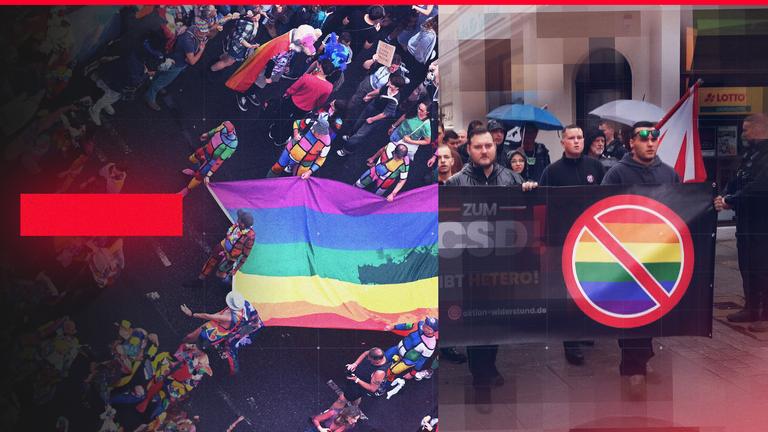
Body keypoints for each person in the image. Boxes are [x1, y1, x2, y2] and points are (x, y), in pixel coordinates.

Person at [443, 126, 537, 408]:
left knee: (496, 320)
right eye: (478, 147)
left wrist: (530, 192)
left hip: (503, 266)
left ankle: (490, 367)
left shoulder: (512, 178)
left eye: (488, 146)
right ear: (468, 150)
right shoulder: (455, 183)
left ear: (495, 148)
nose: (484, 150)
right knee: (477, 323)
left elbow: (528, 216)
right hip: (470, 269)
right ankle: (480, 380)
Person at [602, 121, 680, 393]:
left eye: (654, 137)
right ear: (631, 142)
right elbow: (602, 210)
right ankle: (633, 368)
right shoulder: (616, 174)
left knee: (651, 313)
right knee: (630, 312)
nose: (650, 142)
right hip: (626, 257)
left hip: (659, 255)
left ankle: (643, 359)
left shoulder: (669, 174)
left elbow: (681, 210)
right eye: (643, 137)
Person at [539, 124, 605, 365]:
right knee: (568, 291)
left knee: (588, 287)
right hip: (562, 240)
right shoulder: (551, 171)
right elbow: (542, 204)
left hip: (591, 239)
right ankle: (571, 343)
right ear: (562, 142)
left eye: (579, 137)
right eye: (571, 138)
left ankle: (584, 330)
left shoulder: (596, 167)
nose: (576, 141)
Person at [714, 113, 768, 331]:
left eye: (746, 129)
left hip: (763, 222)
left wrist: (730, 200)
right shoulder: (752, 155)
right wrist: (724, 196)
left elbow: (761, 187)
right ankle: (752, 308)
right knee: (748, 265)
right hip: (747, 221)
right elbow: (738, 180)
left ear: (760, 129)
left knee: (763, 267)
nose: (743, 134)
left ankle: (765, 316)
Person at [144, 20, 208, 111]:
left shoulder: (192, 28)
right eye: (203, 33)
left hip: (171, 58)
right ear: (197, 30)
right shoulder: (188, 42)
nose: (204, 35)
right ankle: (149, 97)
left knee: (160, 73)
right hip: (177, 64)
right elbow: (192, 61)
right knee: (163, 81)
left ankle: (151, 83)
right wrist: (201, 50)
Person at [184, 209, 255, 287]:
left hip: (231, 256)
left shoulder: (250, 237)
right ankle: (199, 280)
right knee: (211, 261)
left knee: (220, 274)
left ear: (243, 224)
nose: (237, 219)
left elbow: (245, 255)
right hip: (223, 245)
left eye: (239, 219)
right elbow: (230, 233)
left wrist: (236, 269)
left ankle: (227, 284)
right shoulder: (237, 225)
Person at [337, 75, 404, 157]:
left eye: (392, 84)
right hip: (372, 107)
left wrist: (372, 119)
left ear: (397, 88)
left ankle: (347, 150)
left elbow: (385, 114)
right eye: (389, 82)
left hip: (378, 116)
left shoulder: (394, 100)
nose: (389, 84)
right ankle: (350, 136)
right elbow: (379, 91)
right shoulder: (388, 85)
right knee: (357, 124)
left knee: (360, 134)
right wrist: (369, 95)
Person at [180, 121, 238, 196]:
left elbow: (219, 161)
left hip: (212, 160)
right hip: (206, 149)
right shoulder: (223, 127)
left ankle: (187, 190)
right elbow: (215, 130)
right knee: (192, 158)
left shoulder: (232, 144)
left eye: (223, 128)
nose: (220, 129)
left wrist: (208, 175)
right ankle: (195, 169)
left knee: (199, 176)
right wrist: (207, 135)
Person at [267, 113, 333, 179]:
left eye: (322, 134)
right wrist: (295, 133)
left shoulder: (327, 142)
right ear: (315, 127)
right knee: (276, 168)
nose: (319, 135)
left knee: (299, 179)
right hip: (290, 151)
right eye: (318, 132)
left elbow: (321, 159)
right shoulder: (310, 122)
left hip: (305, 163)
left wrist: (309, 172)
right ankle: (266, 182)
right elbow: (296, 122)